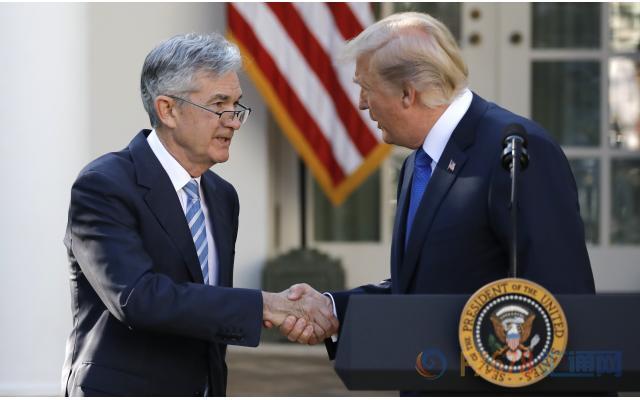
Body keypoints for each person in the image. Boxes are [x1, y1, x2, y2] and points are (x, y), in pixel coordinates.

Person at [276, 11, 596, 354]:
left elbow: (563, 296)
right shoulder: (418, 163)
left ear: (407, 94)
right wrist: (332, 309)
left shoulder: (516, 151)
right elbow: (419, 289)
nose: (362, 104)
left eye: (366, 88)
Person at [61, 33, 337, 396]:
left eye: (236, 105)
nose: (234, 121)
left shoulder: (223, 197)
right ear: (167, 110)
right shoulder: (104, 185)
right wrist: (265, 306)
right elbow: (138, 298)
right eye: (219, 104)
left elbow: (209, 308)